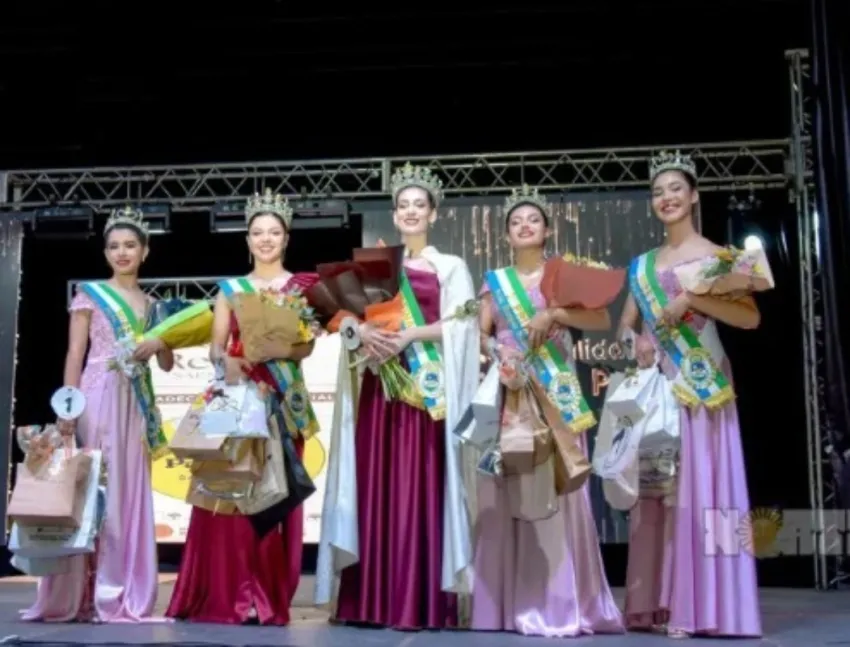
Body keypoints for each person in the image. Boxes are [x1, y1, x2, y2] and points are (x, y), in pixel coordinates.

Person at [315, 162, 479, 630]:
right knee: (375, 487)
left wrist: (409, 336)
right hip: (379, 389)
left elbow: (461, 325)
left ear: (433, 214)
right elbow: (344, 323)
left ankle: (417, 601)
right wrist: (360, 331)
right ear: (394, 213)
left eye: (419, 205)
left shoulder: (450, 267)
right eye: (403, 205)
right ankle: (368, 601)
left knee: (418, 487)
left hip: (425, 392)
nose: (410, 212)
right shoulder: (373, 265)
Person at [618, 150, 762, 638]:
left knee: (705, 493)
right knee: (660, 500)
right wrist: (635, 341)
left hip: (703, 386)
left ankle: (709, 607)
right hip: (659, 392)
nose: (667, 198)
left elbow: (750, 318)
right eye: (658, 192)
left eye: (675, 189)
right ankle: (659, 603)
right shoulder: (642, 265)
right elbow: (626, 324)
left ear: (694, 195)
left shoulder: (719, 258)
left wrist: (693, 299)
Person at [471, 186, 625, 637]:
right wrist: (496, 351)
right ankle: (505, 605)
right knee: (505, 491)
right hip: (510, 391)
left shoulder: (562, 275)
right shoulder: (494, 281)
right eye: (516, 222)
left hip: (556, 392)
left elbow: (600, 320)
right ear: (506, 234)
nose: (524, 226)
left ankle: (559, 603)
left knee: (558, 491)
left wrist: (554, 314)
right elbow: (480, 334)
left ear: (547, 229)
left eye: (533, 220)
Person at [166, 188, 320, 625]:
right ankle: (230, 592)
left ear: (286, 238)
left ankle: (267, 596)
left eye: (274, 232)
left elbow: (306, 346)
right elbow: (217, 347)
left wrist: (284, 349)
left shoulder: (302, 288)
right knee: (229, 494)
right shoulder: (230, 289)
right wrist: (229, 360)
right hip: (237, 398)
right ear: (247, 240)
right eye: (258, 232)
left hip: (282, 401)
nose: (266, 239)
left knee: (273, 497)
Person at [22, 206, 173, 623]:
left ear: (145, 251)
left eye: (130, 245)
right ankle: (81, 593)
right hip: (97, 394)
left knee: (127, 490)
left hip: (135, 401)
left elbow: (166, 365)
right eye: (114, 246)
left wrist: (162, 343)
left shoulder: (152, 304)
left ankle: (120, 589)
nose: (122, 252)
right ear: (106, 252)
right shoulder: (91, 294)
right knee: (92, 487)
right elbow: (75, 353)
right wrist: (67, 407)